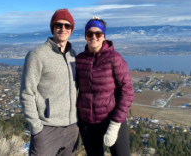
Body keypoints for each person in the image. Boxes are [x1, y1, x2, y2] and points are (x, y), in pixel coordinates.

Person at [20, 8, 79, 156]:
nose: (63, 29)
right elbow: (27, 93)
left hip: (72, 128)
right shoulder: (37, 55)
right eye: (59, 25)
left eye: (67, 26)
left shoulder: (74, 55)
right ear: (52, 27)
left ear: (72, 29)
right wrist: (36, 127)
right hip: (47, 130)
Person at [76, 16, 134, 156]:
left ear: (104, 36)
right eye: (90, 33)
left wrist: (114, 125)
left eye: (98, 34)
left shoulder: (114, 58)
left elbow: (127, 92)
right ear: (85, 36)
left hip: (112, 118)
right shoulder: (79, 60)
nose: (94, 37)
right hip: (87, 121)